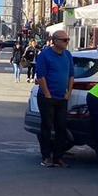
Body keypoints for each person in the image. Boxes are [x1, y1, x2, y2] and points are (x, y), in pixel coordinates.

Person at [35, 29, 74, 167]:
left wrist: (69, 93)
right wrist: (47, 94)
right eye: (64, 40)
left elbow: (71, 75)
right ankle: (46, 157)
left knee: (61, 128)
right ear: (55, 41)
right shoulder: (45, 55)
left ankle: (58, 157)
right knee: (46, 127)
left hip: (62, 97)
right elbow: (41, 76)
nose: (67, 42)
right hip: (47, 98)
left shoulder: (68, 55)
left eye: (67, 40)